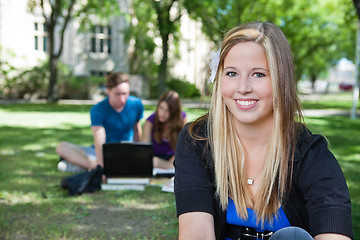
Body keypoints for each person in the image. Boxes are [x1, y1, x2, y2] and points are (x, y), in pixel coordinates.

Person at [174, 21, 353, 240]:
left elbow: (334, 232)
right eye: (231, 73)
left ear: (281, 81)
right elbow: (196, 233)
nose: (243, 87)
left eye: (258, 74)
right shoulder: (197, 140)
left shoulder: (311, 155)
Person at [56, 72, 144, 172]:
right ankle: (97, 166)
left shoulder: (136, 104)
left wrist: (140, 156)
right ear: (108, 91)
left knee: (64, 166)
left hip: (126, 150)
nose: (122, 98)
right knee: (62, 147)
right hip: (102, 151)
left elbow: (137, 131)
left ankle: (85, 165)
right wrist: (101, 165)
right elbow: (99, 140)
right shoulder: (98, 109)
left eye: (125, 94)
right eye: (118, 94)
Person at [141, 90, 187, 169]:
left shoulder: (181, 119)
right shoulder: (150, 122)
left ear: (174, 112)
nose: (162, 113)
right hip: (154, 158)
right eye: (161, 108)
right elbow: (144, 150)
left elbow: (185, 146)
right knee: (154, 161)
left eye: (167, 110)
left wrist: (174, 160)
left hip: (174, 158)